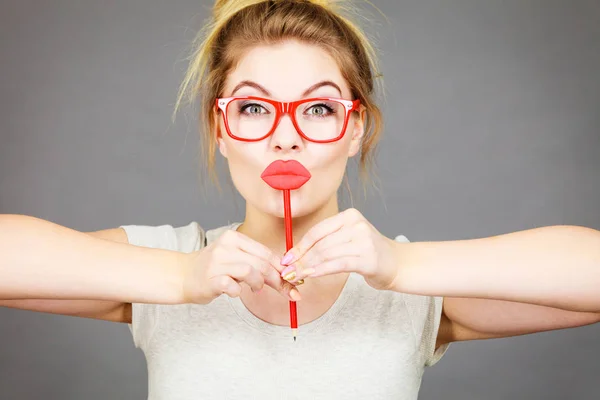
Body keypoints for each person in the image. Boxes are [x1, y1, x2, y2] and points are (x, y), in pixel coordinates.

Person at [1, 0, 599, 399]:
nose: (286, 134)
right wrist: (181, 277)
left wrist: (401, 266)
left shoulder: (410, 292)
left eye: (318, 108)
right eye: (254, 108)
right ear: (220, 131)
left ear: (356, 129)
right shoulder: (167, 264)